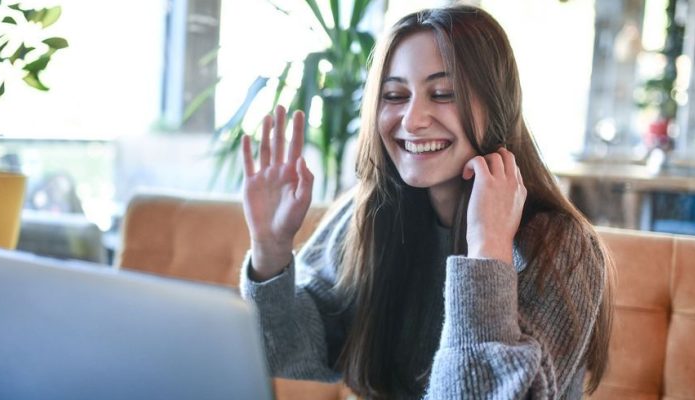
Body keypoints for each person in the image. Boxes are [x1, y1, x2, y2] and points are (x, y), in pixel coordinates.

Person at [238, 5, 612, 400]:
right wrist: (271, 249)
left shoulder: (562, 247)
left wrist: (488, 255)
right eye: (395, 95)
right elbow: (287, 354)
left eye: (443, 94)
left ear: (498, 105)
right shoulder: (370, 212)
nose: (413, 119)